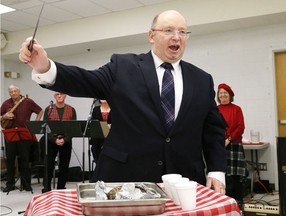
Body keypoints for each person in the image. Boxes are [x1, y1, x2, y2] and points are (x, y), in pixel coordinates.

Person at [19, 10, 227, 194]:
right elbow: (86, 80)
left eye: (183, 32)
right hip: (124, 179)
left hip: (182, 182)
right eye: (169, 30)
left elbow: (213, 129)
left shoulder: (202, 79)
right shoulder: (123, 66)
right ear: (151, 35)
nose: (177, 37)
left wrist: (217, 170)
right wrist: (45, 67)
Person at [0, 85, 43, 192]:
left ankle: (26, 184)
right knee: (10, 160)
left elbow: (40, 111)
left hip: (25, 134)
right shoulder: (6, 103)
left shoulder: (28, 101)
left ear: (19, 91)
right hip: (10, 135)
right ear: (9, 93)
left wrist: (35, 123)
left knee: (24, 160)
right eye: (11, 92)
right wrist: (4, 117)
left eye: (15, 91)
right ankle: (10, 184)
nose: (13, 93)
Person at [217, 83, 247, 206]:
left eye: (225, 93)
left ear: (230, 95)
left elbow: (241, 127)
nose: (223, 95)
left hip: (234, 144)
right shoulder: (216, 110)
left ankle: (238, 200)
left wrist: (229, 139)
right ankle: (224, 200)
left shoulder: (237, 109)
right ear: (218, 96)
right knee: (222, 174)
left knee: (235, 175)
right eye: (220, 93)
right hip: (219, 145)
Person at [40, 92, 77, 192]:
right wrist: (54, 139)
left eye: (62, 94)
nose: (59, 96)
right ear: (54, 96)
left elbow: (73, 129)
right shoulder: (49, 109)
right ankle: (47, 188)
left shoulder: (71, 109)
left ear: (65, 96)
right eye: (57, 94)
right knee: (49, 165)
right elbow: (45, 128)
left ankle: (61, 188)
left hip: (66, 141)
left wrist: (64, 140)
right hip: (51, 141)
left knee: (64, 166)